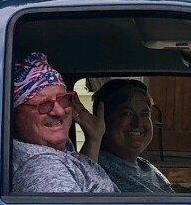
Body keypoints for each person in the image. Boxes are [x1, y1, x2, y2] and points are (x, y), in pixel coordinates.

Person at [8, 52, 119, 195]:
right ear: (15, 114)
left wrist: (94, 138)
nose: (59, 112)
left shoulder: (53, 155)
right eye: (44, 104)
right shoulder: (44, 168)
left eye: (63, 99)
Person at [93, 79, 175, 195]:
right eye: (126, 113)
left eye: (145, 114)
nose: (137, 123)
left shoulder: (146, 167)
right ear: (103, 120)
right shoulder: (95, 166)